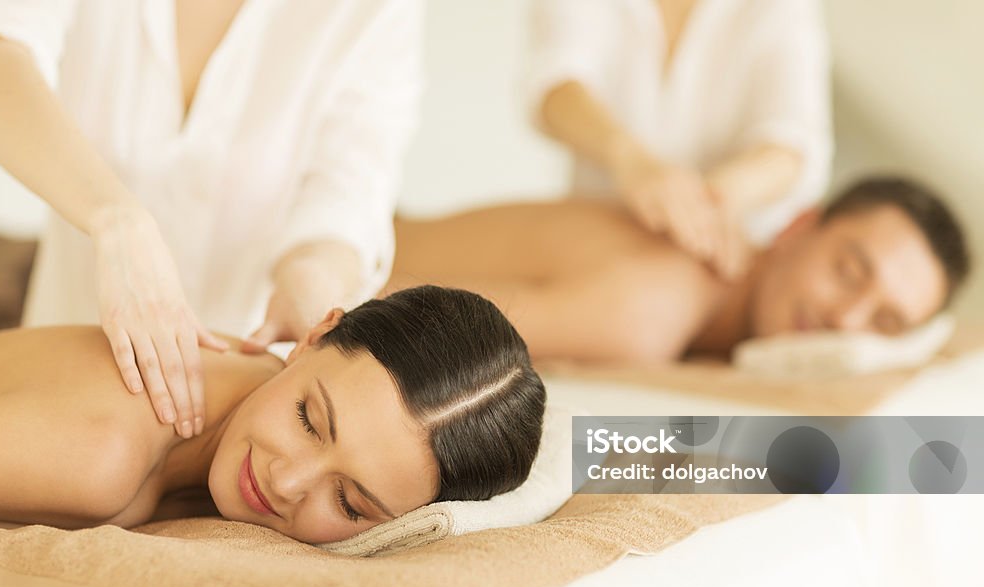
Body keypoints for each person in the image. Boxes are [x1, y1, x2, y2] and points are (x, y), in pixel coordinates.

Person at [0, 0, 422, 441]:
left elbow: (345, 196)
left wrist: (312, 293)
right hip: (57, 364)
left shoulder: (374, 10)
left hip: (240, 413)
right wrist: (117, 222)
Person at [0, 286, 548, 544]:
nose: (286, 483)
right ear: (314, 333)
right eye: (308, 420)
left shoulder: (248, 384)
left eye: (349, 503)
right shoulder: (101, 456)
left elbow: (609, 449)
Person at [386, 177, 972, 364]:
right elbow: (389, 313)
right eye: (848, 270)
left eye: (886, 322)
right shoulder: (653, 309)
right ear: (797, 228)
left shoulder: (709, 328)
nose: (847, 320)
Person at [528, 0, 832, 278]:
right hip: (594, 245)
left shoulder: (783, 8)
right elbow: (555, 84)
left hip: (719, 267)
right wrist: (632, 161)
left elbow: (793, 141)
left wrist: (720, 196)